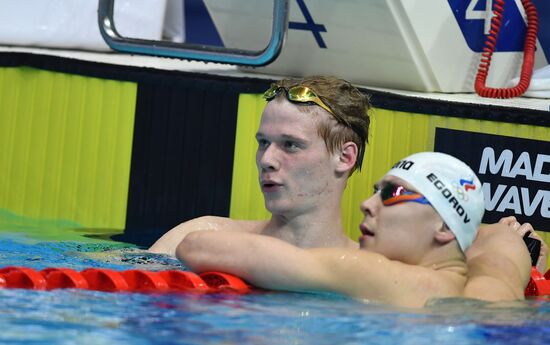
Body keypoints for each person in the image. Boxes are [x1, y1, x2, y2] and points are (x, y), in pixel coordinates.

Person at [177, 152, 494, 308]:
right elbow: (501, 243)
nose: (367, 204)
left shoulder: (371, 273)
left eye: (391, 194)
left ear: (443, 226)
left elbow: (196, 247)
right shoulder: (494, 285)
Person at [149, 76, 371, 255]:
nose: (266, 160)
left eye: (290, 145)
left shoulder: (371, 274)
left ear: (345, 157)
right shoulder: (200, 237)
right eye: (263, 143)